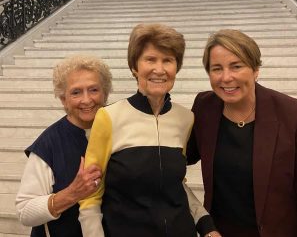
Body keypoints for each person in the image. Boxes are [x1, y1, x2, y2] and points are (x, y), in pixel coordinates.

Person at [78, 23, 221, 237]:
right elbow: (90, 195)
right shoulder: (108, 117)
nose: (159, 69)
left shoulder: (186, 118)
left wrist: (206, 225)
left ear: (176, 67)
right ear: (135, 66)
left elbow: (177, 185)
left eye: (168, 60)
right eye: (150, 59)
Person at [187, 29, 297, 237]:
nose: (226, 77)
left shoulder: (292, 114)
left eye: (236, 66)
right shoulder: (204, 107)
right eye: (216, 68)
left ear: (255, 69)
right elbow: (178, 156)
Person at [15, 55, 112, 237]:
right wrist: (72, 193)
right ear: (63, 99)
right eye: (76, 92)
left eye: (93, 90)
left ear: (105, 93)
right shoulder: (49, 143)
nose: (86, 100)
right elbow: (24, 211)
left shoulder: (119, 128)